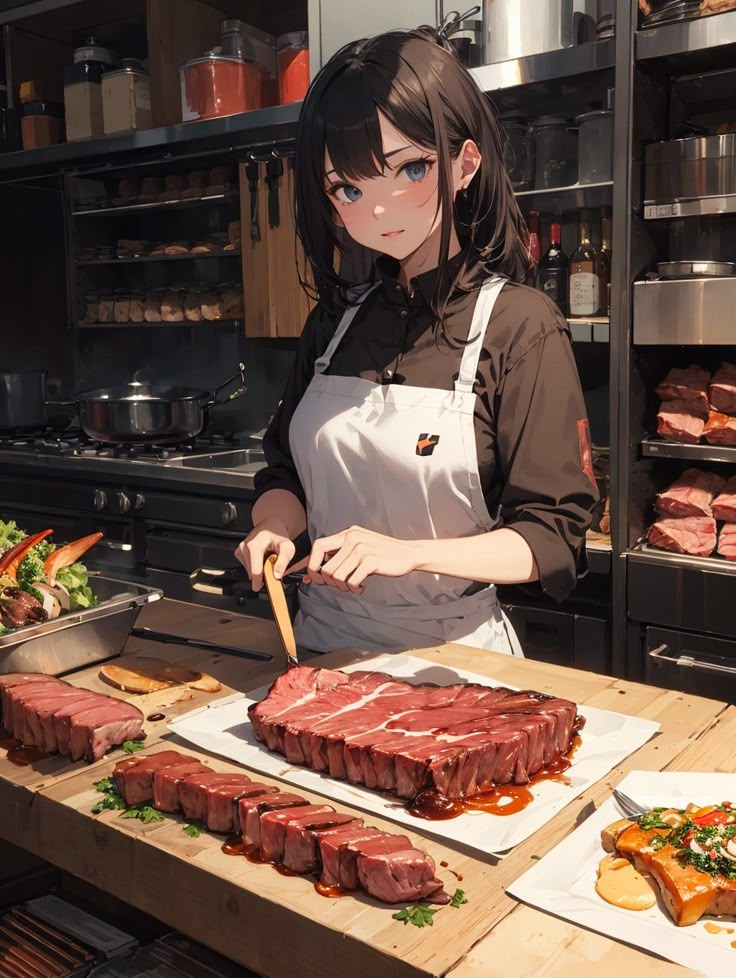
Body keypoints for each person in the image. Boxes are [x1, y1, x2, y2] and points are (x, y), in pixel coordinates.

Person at [235, 24, 599, 656]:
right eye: (348, 187)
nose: (377, 211)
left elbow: (552, 536)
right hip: (318, 647)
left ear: (464, 165)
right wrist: (274, 526)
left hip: (455, 661)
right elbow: (286, 471)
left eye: (408, 168)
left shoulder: (520, 325)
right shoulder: (333, 323)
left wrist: (407, 556)